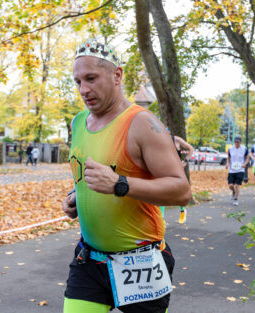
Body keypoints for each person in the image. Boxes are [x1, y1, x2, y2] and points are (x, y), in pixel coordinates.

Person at [62, 38, 191, 313]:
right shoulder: (78, 123)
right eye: (78, 82)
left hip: (141, 263)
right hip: (90, 260)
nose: (84, 90)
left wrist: (120, 185)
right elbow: (88, 176)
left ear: (117, 75)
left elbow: (182, 190)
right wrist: (75, 197)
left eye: (92, 78)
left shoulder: (142, 123)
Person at [173, 135, 193, 224]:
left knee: (178, 193)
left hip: (177, 170)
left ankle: (182, 211)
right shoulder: (158, 140)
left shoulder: (176, 140)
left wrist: (185, 161)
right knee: (161, 192)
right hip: (164, 170)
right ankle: (161, 219)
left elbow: (191, 149)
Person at [226, 136, 249, 206]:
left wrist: (245, 164)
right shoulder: (230, 149)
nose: (236, 143)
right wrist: (227, 164)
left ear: (240, 142)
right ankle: (234, 192)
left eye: (238, 142)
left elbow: (247, 158)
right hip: (232, 170)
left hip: (240, 169)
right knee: (230, 185)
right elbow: (229, 157)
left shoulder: (244, 149)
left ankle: (236, 199)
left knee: (236, 185)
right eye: (235, 142)